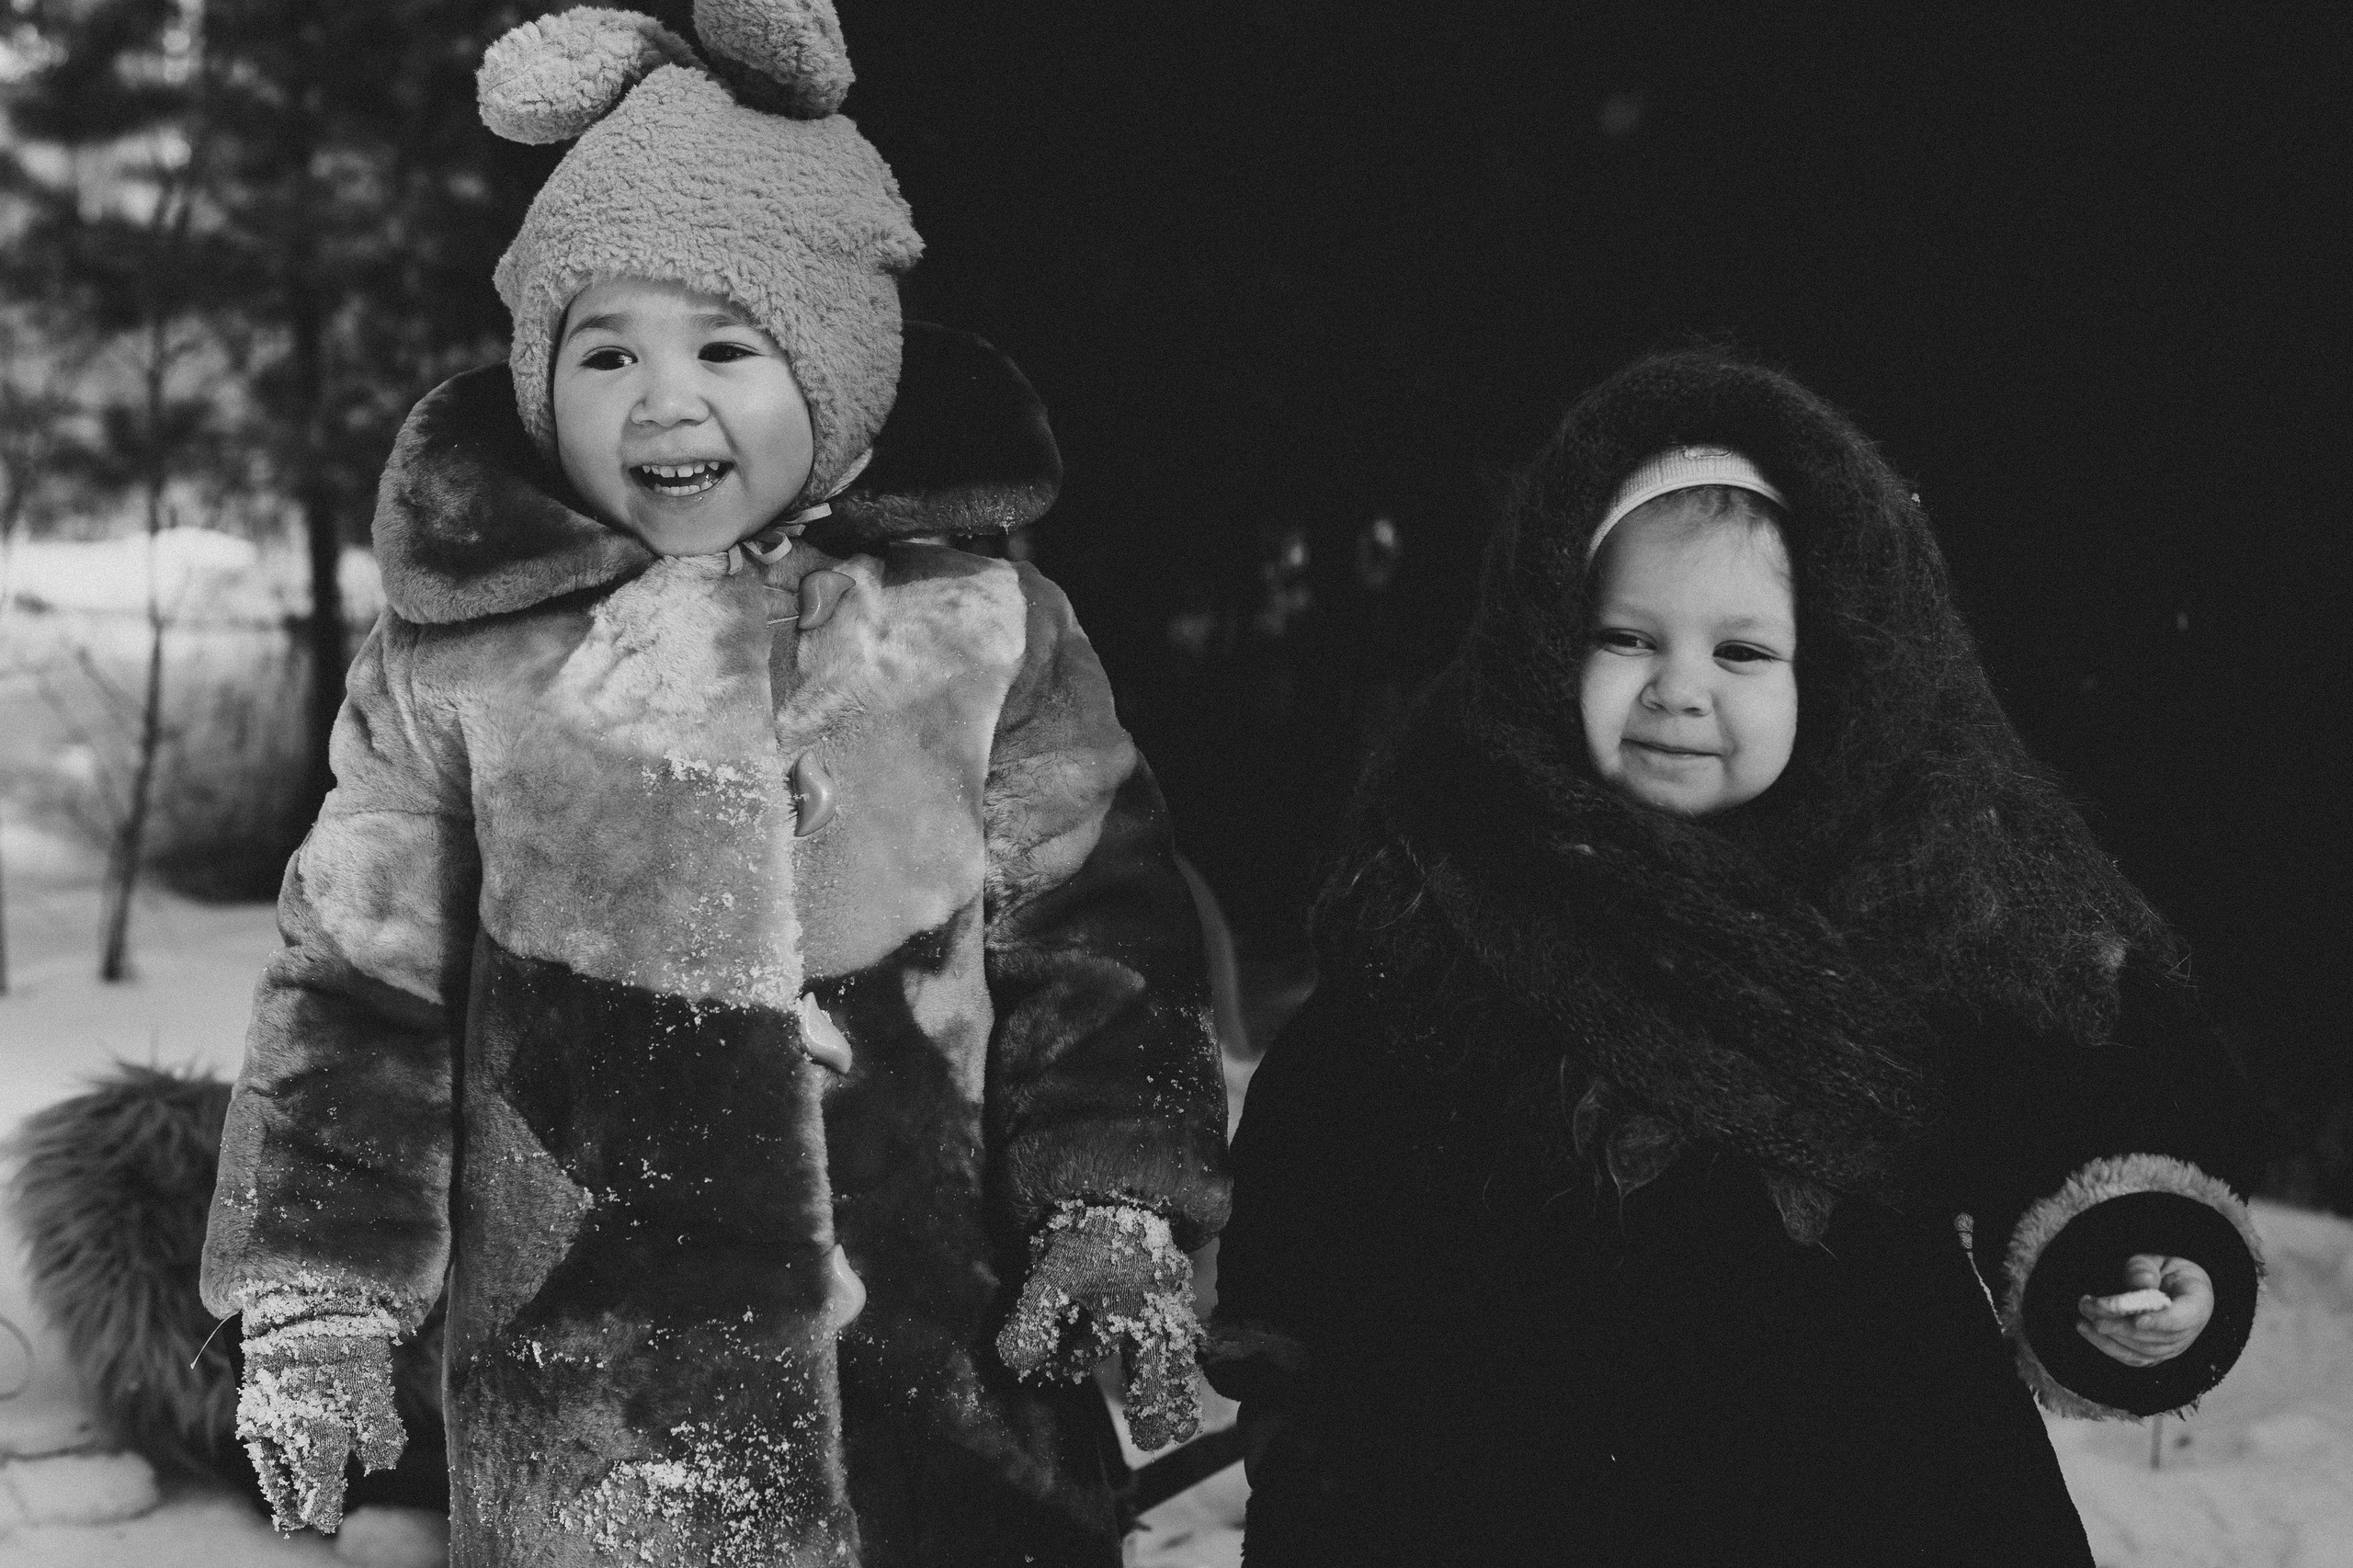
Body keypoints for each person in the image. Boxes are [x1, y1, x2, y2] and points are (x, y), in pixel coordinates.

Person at [198, 4, 1229, 1562]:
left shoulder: (981, 630)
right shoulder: (466, 664)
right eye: (606, 350)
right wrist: (321, 1290)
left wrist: (1115, 1202)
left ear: (844, 365)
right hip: (599, 1406)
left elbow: (1099, 941)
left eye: (727, 347)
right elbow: (354, 986)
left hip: (941, 1394)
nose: (663, 402)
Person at [1208, 348, 2262, 1566]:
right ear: (1549, 644)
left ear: (1841, 676)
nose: (1678, 690)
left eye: (1743, 652)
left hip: (1858, 1479)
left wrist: (2126, 1248)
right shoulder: (1464, 872)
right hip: (1503, 1474)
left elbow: (2079, 1072)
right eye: (1627, 639)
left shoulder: (1921, 877)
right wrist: (1300, 1396)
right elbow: (1332, 1119)